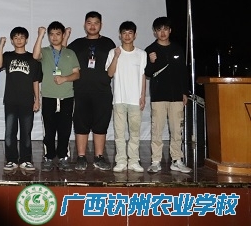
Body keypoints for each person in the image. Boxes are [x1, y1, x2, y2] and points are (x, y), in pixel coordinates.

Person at [66, 11, 115, 171]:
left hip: (102, 90)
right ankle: (81, 157)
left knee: (101, 124)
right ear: (84, 24)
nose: (92, 26)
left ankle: (99, 157)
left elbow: (114, 66)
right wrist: (66, 36)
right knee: (81, 124)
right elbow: (63, 55)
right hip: (81, 90)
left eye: (96, 23)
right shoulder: (77, 44)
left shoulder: (108, 43)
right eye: (89, 23)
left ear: (101, 25)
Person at [145, 17, 192, 174]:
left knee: (177, 130)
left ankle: (177, 160)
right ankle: (156, 161)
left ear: (170, 30)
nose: (163, 32)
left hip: (176, 96)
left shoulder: (177, 49)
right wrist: (152, 62)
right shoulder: (150, 49)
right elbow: (147, 73)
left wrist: (184, 92)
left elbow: (183, 72)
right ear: (155, 32)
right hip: (158, 96)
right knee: (157, 130)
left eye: (165, 29)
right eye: (159, 30)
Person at [33, 22, 80, 172]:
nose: (54, 37)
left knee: (64, 130)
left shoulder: (70, 53)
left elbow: (77, 74)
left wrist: (65, 78)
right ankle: (48, 157)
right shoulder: (45, 51)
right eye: (51, 34)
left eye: (58, 34)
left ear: (62, 35)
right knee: (49, 130)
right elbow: (35, 55)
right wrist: (40, 35)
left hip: (67, 97)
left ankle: (63, 157)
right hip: (49, 97)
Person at [0, 27, 42, 172]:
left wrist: (37, 99)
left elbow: (36, 80)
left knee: (26, 132)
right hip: (10, 100)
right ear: (12, 40)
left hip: (27, 101)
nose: (19, 40)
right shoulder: (8, 56)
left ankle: (26, 160)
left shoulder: (33, 59)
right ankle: (11, 159)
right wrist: (1, 46)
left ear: (26, 40)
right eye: (16, 37)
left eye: (22, 37)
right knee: (10, 132)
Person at [106, 21, 147, 173]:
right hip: (119, 99)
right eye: (124, 33)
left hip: (135, 100)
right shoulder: (113, 52)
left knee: (135, 132)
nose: (127, 36)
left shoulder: (141, 54)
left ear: (135, 35)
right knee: (119, 132)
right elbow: (110, 73)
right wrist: (116, 57)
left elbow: (143, 76)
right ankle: (121, 161)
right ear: (120, 35)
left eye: (130, 33)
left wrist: (143, 96)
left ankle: (134, 161)